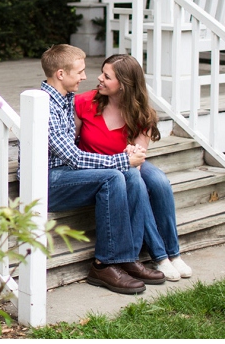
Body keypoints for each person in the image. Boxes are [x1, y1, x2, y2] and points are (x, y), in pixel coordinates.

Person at [39, 44, 165, 294]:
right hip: (47, 182)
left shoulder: (64, 100)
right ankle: (103, 263)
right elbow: (73, 157)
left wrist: (127, 156)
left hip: (66, 174)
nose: (86, 77)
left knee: (129, 176)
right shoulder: (46, 106)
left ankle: (126, 258)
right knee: (113, 176)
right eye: (80, 72)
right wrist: (121, 160)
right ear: (61, 74)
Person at [74, 53, 193, 281]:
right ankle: (160, 257)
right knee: (134, 180)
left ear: (124, 85)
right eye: (102, 72)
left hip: (128, 164)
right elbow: (72, 147)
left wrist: (134, 153)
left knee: (158, 181)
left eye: (106, 76)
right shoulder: (84, 103)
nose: (99, 78)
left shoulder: (142, 114)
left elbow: (138, 157)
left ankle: (174, 253)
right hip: (100, 166)